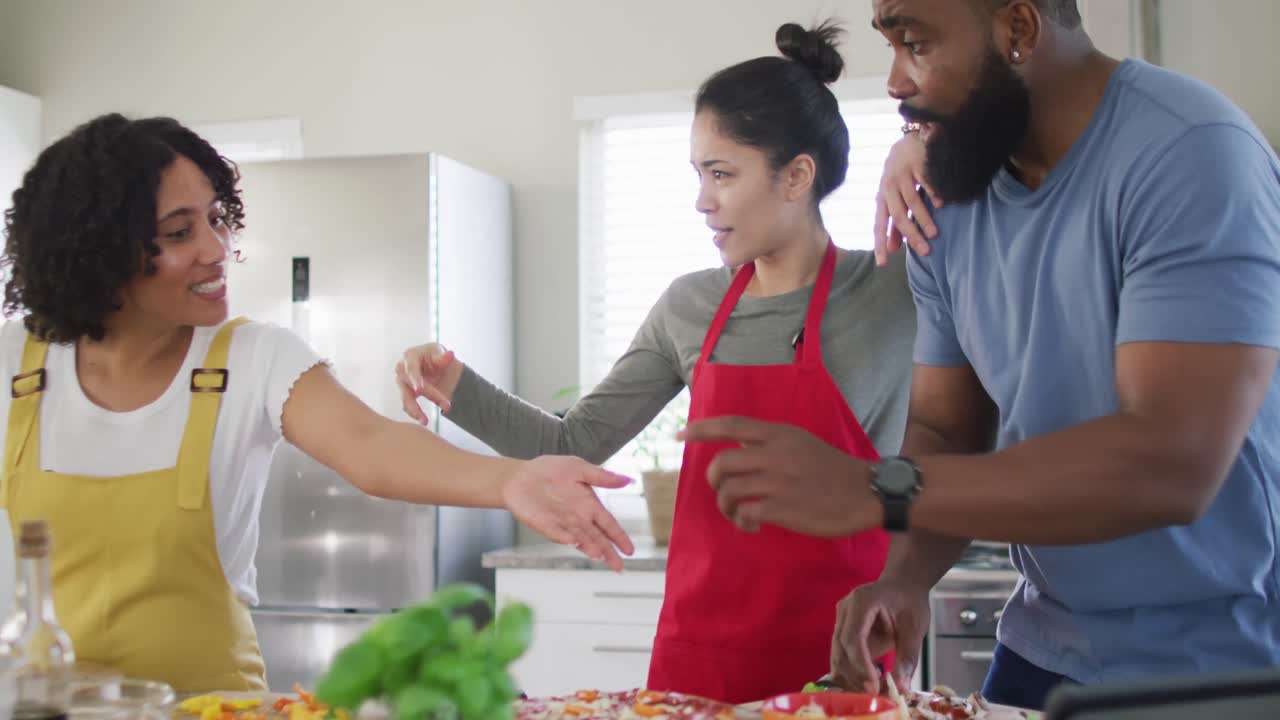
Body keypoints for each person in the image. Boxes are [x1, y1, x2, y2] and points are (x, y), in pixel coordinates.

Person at [678, 0, 1280, 711]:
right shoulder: (949, 197)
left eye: (917, 44)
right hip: (1041, 647)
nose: (896, 81)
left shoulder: (1191, 152)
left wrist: (875, 488)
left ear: (1018, 29)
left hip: (1214, 663)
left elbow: (1170, 463)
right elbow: (947, 431)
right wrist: (903, 575)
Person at [0, 113, 635, 693]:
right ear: (98, 251)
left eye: (217, 218)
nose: (218, 249)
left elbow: (372, 444)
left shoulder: (249, 357)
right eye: (179, 232)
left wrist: (512, 479)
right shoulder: (13, 366)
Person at [396, 21, 917, 703]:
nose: (703, 200)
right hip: (698, 662)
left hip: (840, 659)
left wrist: (919, 145)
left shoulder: (894, 289)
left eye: (722, 175)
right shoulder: (689, 305)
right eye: (699, 175)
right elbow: (572, 443)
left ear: (797, 175)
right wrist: (452, 385)